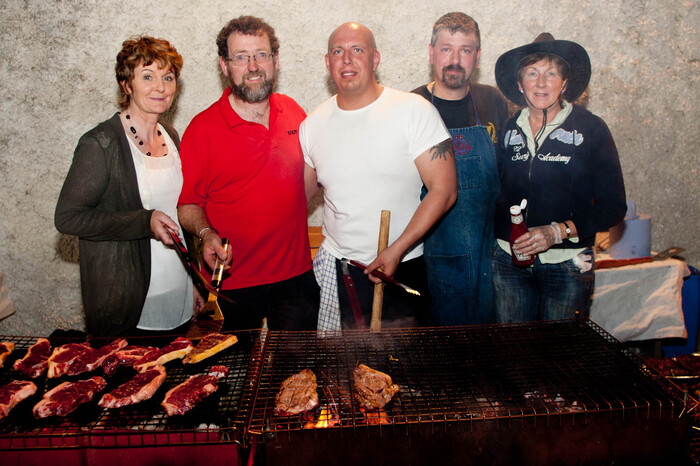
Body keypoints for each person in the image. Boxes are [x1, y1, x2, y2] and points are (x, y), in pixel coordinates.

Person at [301, 22, 457, 330]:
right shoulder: (312, 125)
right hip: (341, 270)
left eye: (357, 49)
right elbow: (299, 197)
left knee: (401, 358)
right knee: (345, 359)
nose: (347, 59)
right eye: (338, 51)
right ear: (328, 62)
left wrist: (396, 249)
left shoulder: (413, 111)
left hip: (403, 265)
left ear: (375, 59)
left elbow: (445, 190)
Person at [177, 16, 319, 331]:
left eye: (261, 54)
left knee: (301, 363)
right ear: (224, 66)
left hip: (296, 278)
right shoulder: (202, 129)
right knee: (231, 365)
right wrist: (206, 232)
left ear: (275, 60)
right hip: (231, 284)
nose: (253, 66)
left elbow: (306, 184)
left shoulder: (293, 111)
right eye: (241, 57)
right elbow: (187, 204)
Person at [55, 36, 202, 337]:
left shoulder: (171, 135)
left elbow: (177, 215)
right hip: (129, 306)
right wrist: (143, 221)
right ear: (126, 85)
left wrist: (195, 282)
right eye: (147, 76)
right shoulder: (101, 143)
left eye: (168, 77)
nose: (160, 87)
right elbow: (68, 218)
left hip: (179, 294)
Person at [492, 33, 626, 322]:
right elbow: (494, 193)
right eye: (532, 73)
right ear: (520, 84)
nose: (541, 83)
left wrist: (556, 232)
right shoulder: (507, 130)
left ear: (564, 84)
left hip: (566, 263)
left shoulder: (591, 129)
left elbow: (613, 207)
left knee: (559, 349)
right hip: (509, 262)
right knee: (513, 347)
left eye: (551, 73)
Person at [412, 12, 509, 325]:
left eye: (465, 50)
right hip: (435, 256)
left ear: (477, 57)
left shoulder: (493, 100)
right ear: (431, 53)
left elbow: (509, 173)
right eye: (446, 49)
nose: (455, 60)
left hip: (491, 254)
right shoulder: (412, 105)